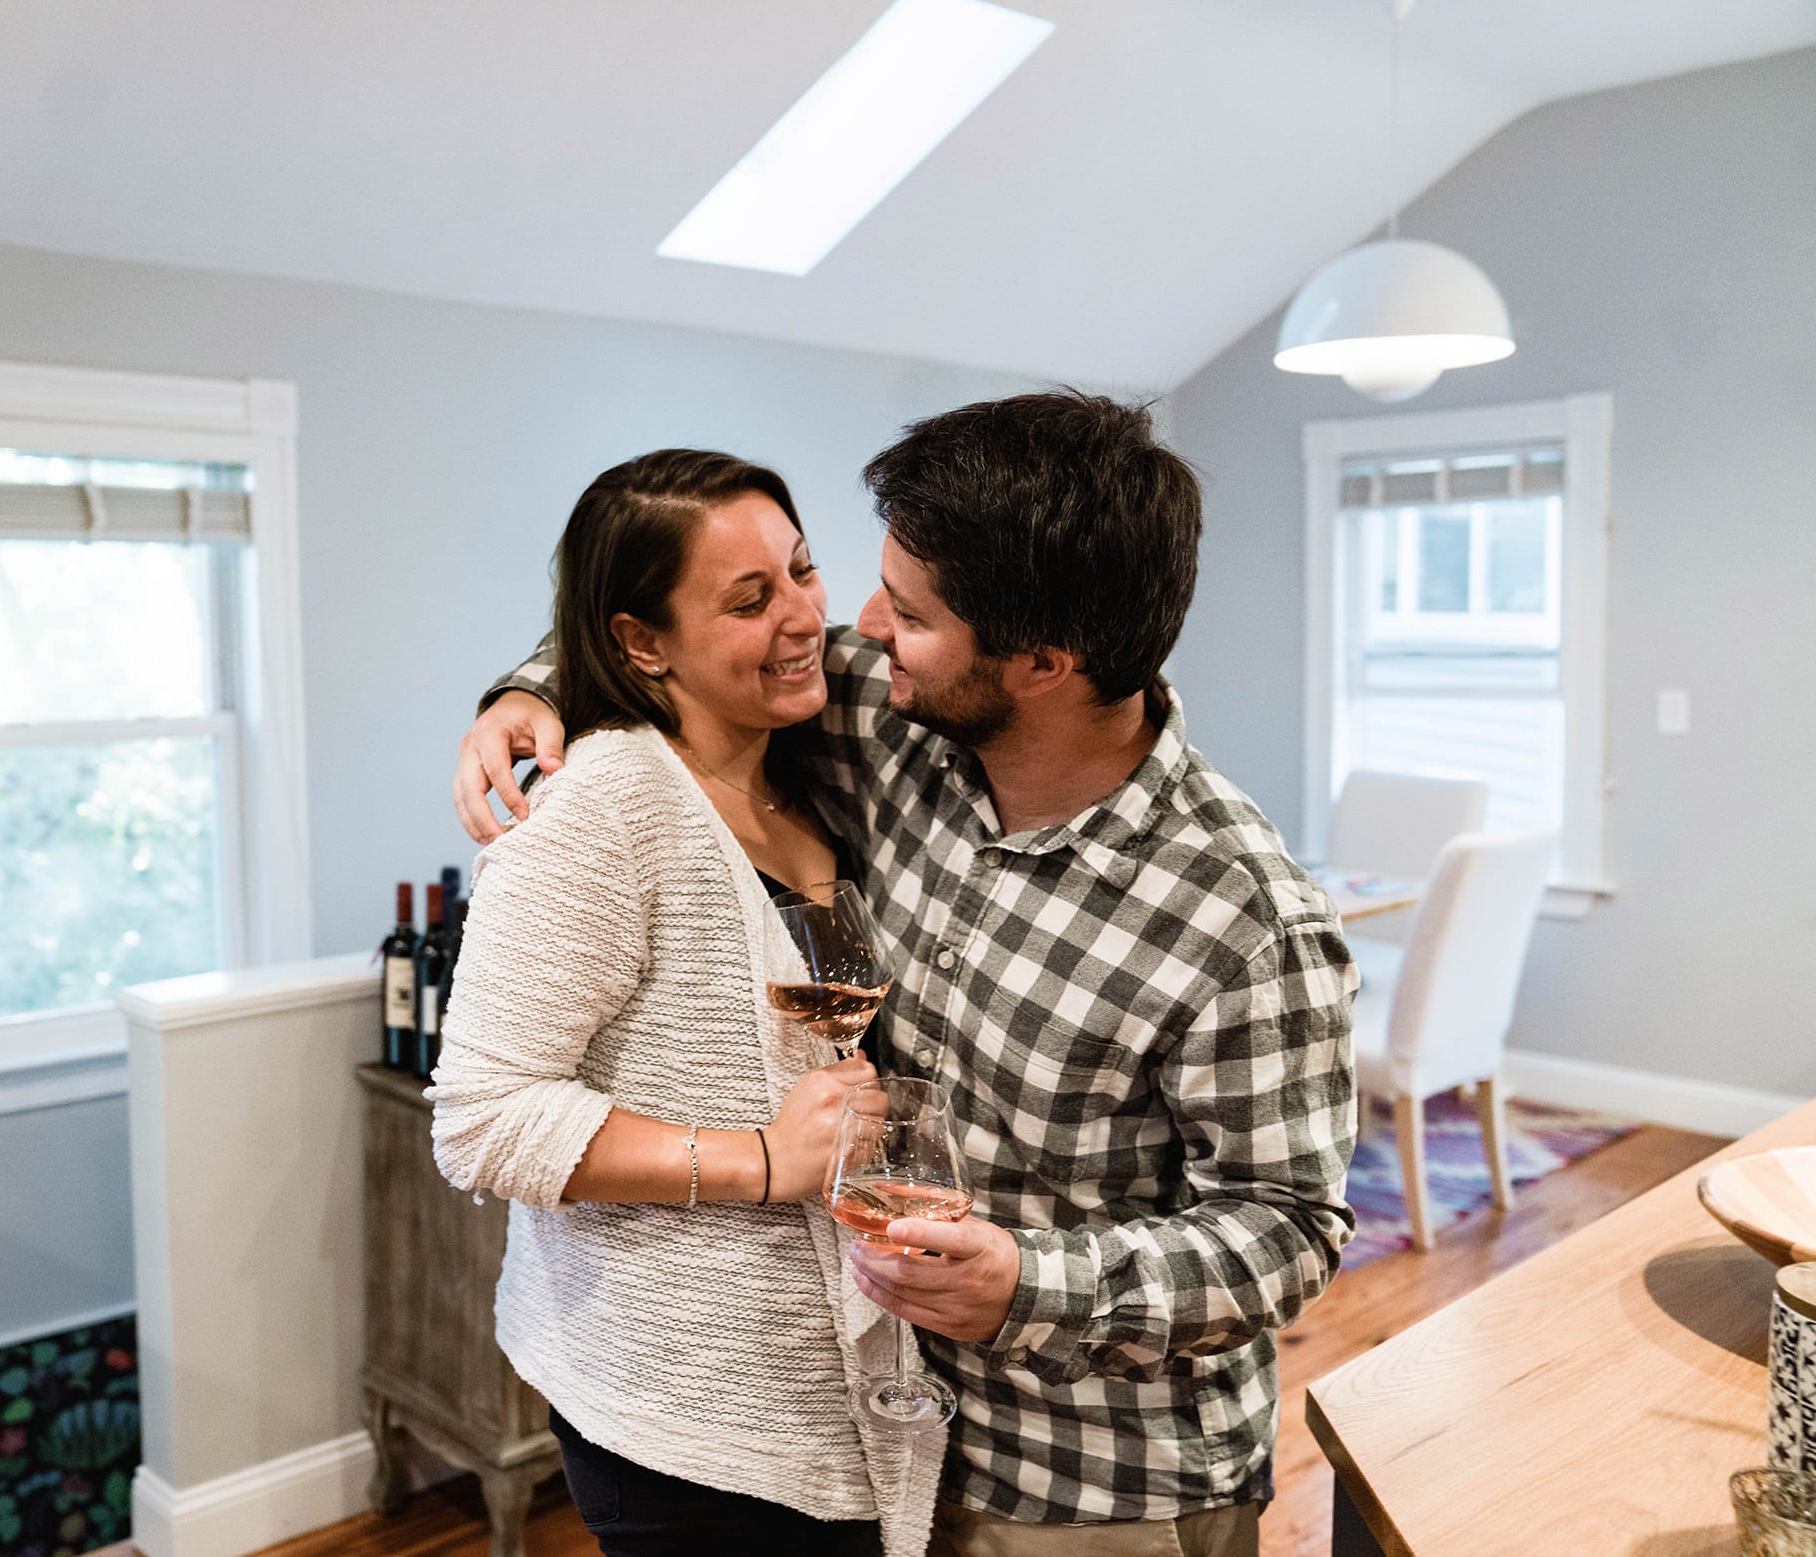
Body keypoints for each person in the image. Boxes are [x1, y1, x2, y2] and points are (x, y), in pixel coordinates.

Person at [455, 392, 1357, 1557]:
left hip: (1095, 1486)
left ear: (1041, 661)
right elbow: (669, 635)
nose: (860, 625)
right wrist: (527, 692)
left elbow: (1286, 1228)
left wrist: (1029, 1283)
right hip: (881, 1437)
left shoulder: (1243, 919)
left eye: (912, 611)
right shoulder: (890, 719)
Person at [427, 448, 943, 1557]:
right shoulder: (603, 806)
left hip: (828, 1391)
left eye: (803, 571)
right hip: (682, 1414)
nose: (805, 616)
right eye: (750, 600)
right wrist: (763, 1158)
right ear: (640, 643)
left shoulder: (803, 774)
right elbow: (480, 1119)